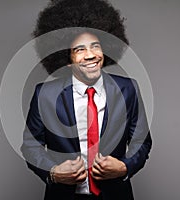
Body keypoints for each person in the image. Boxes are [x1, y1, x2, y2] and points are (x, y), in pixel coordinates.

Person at [21, 0, 152, 199]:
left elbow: (141, 141)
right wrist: (54, 172)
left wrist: (125, 167)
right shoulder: (45, 95)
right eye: (80, 49)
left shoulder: (128, 89)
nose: (90, 55)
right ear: (67, 60)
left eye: (95, 46)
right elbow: (31, 146)